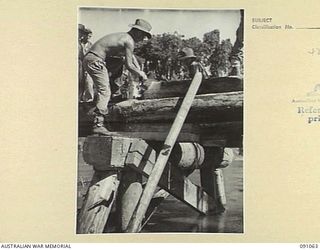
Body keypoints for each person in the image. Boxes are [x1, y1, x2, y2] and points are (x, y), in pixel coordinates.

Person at [83, 19, 151, 135]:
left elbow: (131, 59)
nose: (143, 39)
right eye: (143, 36)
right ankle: (98, 124)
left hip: (92, 59)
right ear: (138, 32)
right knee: (105, 92)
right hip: (95, 60)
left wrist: (139, 70)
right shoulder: (129, 41)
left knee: (119, 61)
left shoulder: (123, 37)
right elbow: (129, 66)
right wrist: (141, 75)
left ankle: (110, 97)